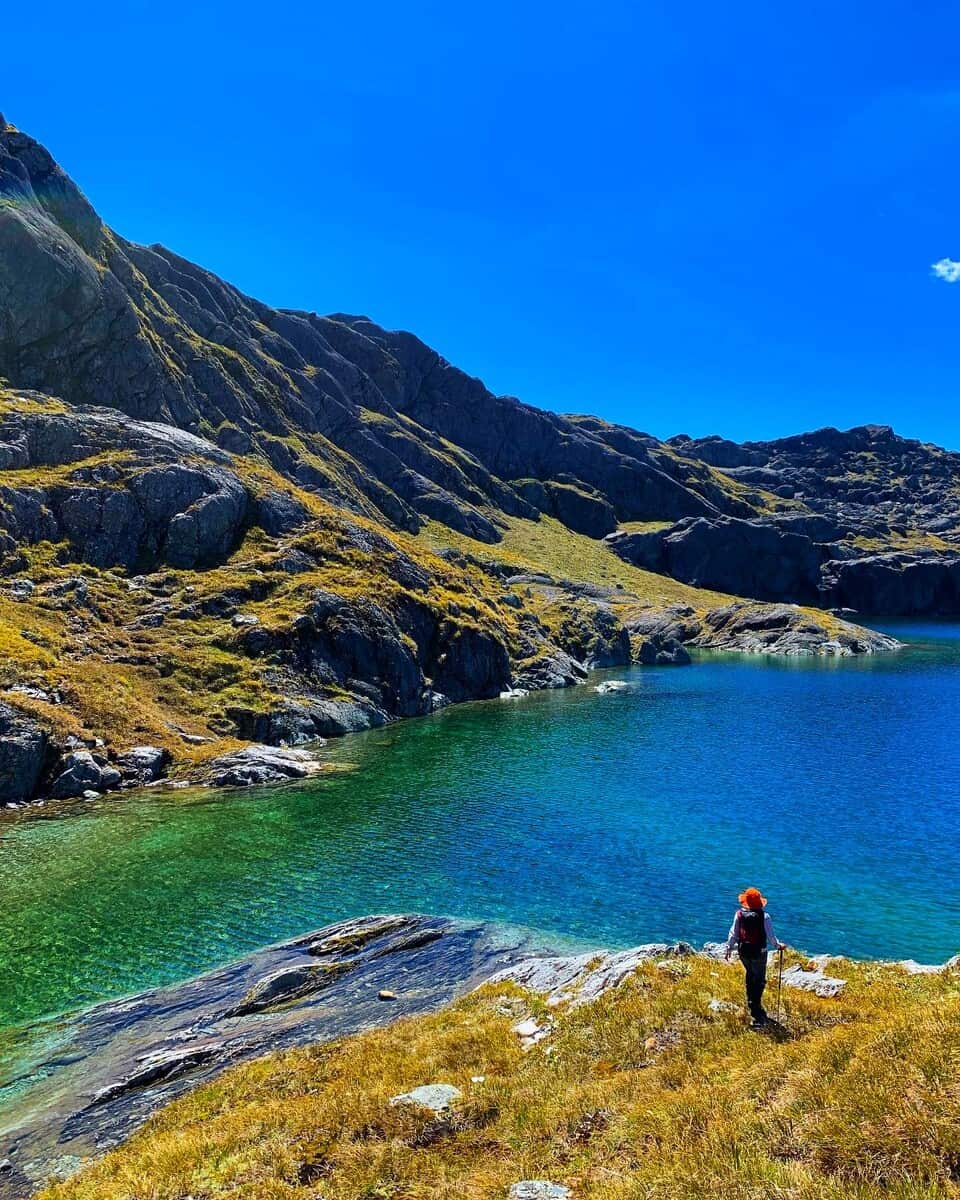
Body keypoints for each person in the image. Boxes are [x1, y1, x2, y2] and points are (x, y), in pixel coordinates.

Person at [724, 887, 784, 1027]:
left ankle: (752, 1003)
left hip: (743, 951)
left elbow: (733, 934)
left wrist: (728, 948)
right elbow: (771, 937)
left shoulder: (739, 914)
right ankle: (756, 1010)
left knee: (750, 974)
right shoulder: (765, 917)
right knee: (759, 980)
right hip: (759, 952)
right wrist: (778, 946)